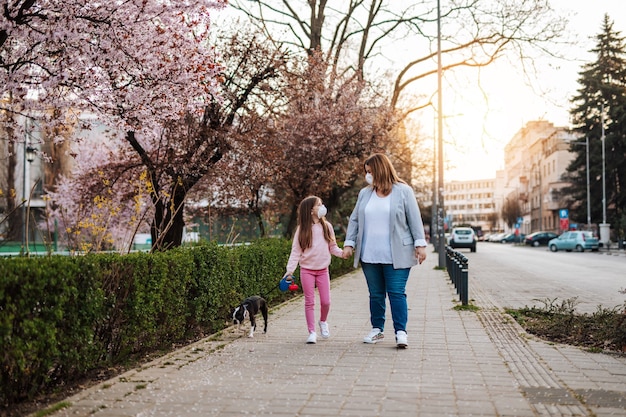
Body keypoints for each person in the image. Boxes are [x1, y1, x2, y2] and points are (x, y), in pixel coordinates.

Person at [343, 153, 427, 348]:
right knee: (376, 294)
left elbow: (414, 219)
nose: (368, 176)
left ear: (380, 170)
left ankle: (400, 332)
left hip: (397, 254)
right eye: (366, 172)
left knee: (396, 292)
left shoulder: (403, 191)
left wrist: (420, 245)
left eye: (370, 171)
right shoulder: (365, 193)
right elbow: (355, 219)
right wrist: (349, 243)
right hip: (369, 253)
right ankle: (377, 330)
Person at [284, 196, 345, 344]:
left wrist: (343, 253)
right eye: (319, 205)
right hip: (307, 270)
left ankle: (323, 322)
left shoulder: (327, 226)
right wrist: (290, 270)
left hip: (323, 270)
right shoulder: (302, 229)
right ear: (311, 210)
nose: (322, 206)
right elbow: (295, 252)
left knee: (326, 302)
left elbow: (333, 247)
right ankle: (312, 332)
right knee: (309, 302)